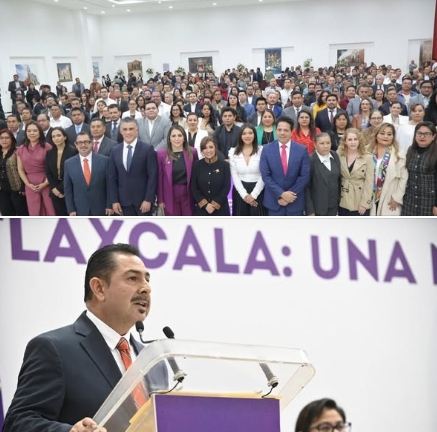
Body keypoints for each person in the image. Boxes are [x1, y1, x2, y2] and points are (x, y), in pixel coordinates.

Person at [3, 243, 168, 432]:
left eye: (147, 280)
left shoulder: (155, 362)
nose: (146, 288)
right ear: (99, 288)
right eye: (133, 278)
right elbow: (18, 423)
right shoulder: (54, 349)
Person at [260, 116, 311, 216]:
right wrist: (281, 194)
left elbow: (304, 176)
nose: (282, 133)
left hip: (295, 201)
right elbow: (266, 175)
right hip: (274, 201)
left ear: (292, 132)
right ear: (276, 131)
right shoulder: (266, 149)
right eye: (279, 130)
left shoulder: (302, 150)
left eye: (286, 130)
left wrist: (289, 196)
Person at [108, 117, 158, 216]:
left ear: (137, 130)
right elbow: (112, 177)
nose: (128, 132)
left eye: (131, 129)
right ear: (121, 131)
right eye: (125, 129)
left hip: (143, 202)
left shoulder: (147, 149)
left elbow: (153, 176)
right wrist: (114, 200)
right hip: (123, 202)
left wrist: (148, 199)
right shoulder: (114, 150)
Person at [64, 131, 113, 216]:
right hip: (80, 209)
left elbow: (110, 185)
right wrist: (71, 209)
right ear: (75, 144)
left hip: (102, 208)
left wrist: (109, 205)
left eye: (86, 142)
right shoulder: (68, 163)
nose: (83, 145)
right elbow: (68, 189)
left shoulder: (105, 161)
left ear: (91, 143)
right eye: (80, 142)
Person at [366, 123, 408, 216]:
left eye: (389, 134)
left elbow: (403, 178)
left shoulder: (399, 153)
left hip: (389, 196)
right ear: (376, 135)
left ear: (393, 136)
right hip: (368, 196)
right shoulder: (367, 150)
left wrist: (397, 198)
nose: (386, 136)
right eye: (382, 133)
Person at [16, 121, 56, 216]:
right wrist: (28, 184)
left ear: (40, 132)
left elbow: (53, 168)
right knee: (34, 212)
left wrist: (45, 183)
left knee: (50, 210)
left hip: (46, 182)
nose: (32, 133)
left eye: (35, 131)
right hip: (30, 185)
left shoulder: (47, 147)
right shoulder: (21, 149)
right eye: (29, 131)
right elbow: (20, 169)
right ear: (26, 132)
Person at [157, 125, 198, 216]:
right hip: (169, 194)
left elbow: (196, 176)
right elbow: (160, 179)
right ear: (169, 138)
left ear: (184, 138)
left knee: (189, 220)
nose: (177, 139)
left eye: (179, 135)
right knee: (174, 221)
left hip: (188, 194)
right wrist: (160, 200)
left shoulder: (193, 152)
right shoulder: (161, 154)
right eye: (173, 136)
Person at [228, 123, 267, 216]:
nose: (247, 136)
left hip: (259, 190)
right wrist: (244, 195)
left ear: (255, 135)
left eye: (250, 133)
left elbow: (264, 174)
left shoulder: (262, 151)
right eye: (244, 133)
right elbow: (235, 176)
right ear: (240, 136)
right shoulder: (233, 152)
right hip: (240, 192)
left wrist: (254, 195)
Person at [402, 121, 437, 216]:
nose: (422, 136)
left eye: (426, 134)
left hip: (429, 202)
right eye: (419, 133)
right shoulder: (411, 150)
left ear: (433, 136)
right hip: (410, 200)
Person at [337, 128, 374, 216]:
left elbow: (369, 182)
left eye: (355, 139)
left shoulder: (367, 157)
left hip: (360, 199)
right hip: (343, 199)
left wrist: (364, 203)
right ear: (345, 141)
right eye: (350, 139)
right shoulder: (339, 154)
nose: (353, 142)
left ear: (359, 141)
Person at [191, 136, 231, 216]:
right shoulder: (197, 165)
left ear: (215, 148)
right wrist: (205, 205)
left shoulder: (224, 165)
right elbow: (194, 187)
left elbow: (226, 187)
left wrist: (214, 204)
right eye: (205, 148)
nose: (208, 150)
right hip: (202, 209)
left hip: (221, 209)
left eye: (211, 147)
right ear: (202, 151)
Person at [305, 132, 341, 216]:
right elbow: (306, 187)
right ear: (315, 144)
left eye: (328, 143)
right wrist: (310, 211)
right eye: (322, 143)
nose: (325, 146)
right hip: (318, 209)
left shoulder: (335, 155)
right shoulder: (310, 160)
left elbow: (338, 180)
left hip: (334, 206)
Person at [45, 127, 78, 216]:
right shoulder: (49, 153)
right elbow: (48, 172)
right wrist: (54, 189)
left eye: (59, 135)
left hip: (69, 190)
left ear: (65, 137)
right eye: (53, 136)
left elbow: (73, 173)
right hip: (55, 191)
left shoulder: (73, 151)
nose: (56, 138)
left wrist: (60, 189)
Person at [0, 129, 28, 215]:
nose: (4, 140)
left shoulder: (18, 151)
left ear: (12, 139)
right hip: (2, 190)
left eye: (7, 138)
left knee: (21, 213)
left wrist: (23, 187)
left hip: (17, 188)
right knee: (6, 214)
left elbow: (24, 170)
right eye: (2, 138)